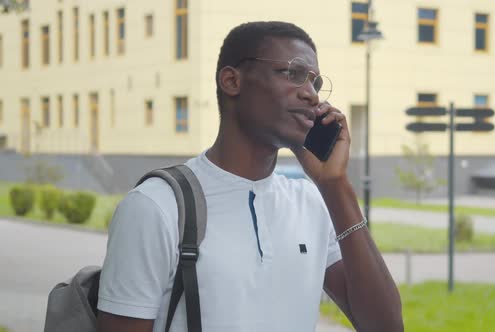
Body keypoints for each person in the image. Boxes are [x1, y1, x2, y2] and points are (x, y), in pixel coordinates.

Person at [97, 21, 403, 332]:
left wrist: (335, 185)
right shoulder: (155, 207)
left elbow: (386, 326)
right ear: (232, 81)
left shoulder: (310, 204)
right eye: (295, 74)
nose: (312, 95)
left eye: (316, 83)